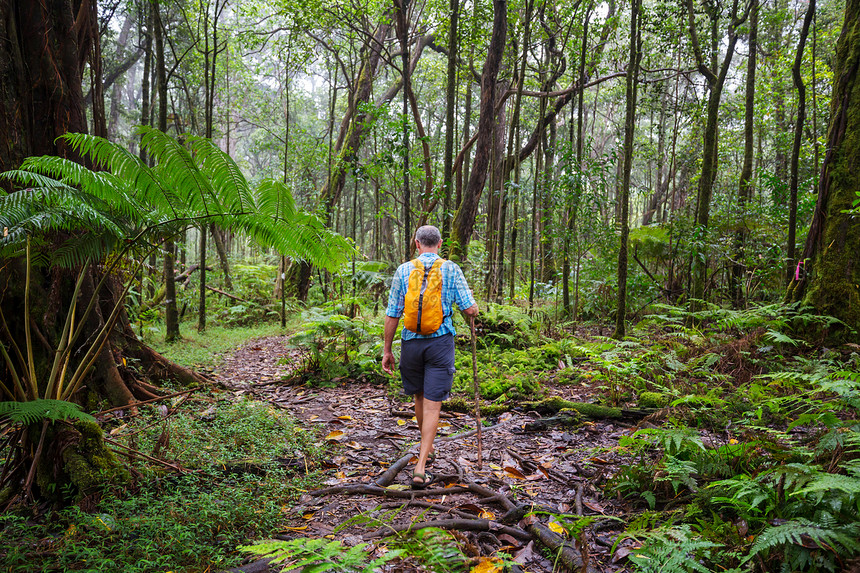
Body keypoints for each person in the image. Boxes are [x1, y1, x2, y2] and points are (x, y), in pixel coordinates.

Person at [382, 225, 478, 489]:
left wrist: (387, 349)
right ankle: (421, 468)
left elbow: (393, 313)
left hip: (411, 343)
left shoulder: (403, 270)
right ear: (440, 243)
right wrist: (474, 310)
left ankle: (428, 447)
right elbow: (469, 308)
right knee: (434, 404)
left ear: (416, 244)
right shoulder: (451, 268)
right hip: (440, 342)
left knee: (420, 397)